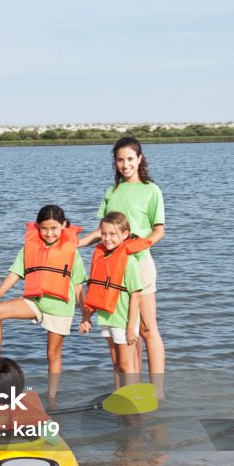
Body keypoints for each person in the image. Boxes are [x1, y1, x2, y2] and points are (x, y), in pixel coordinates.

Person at [78, 136, 165, 384]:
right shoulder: (112, 191)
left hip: (140, 265)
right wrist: (79, 242)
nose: (125, 164)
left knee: (147, 330)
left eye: (129, 159)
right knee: (129, 330)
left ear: (139, 159)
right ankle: (133, 390)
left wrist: (136, 246)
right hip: (113, 270)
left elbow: (159, 230)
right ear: (115, 162)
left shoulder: (151, 190)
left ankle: (158, 391)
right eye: (120, 160)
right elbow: (102, 231)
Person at [0, 204, 86, 403]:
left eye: (54, 228)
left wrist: (85, 315)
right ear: (38, 227)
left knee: (52, 354)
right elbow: (14, 274)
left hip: (59, 306)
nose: (49, 233)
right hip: (35, 301)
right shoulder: (30, 247)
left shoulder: (71, 252)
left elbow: (79, 287)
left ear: (63, 226)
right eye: (44, 228)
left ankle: (52, 397)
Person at [79, 212, 149, 388]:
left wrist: (131, 328)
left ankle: (134, 397)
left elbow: (135, 295)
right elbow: (98, 292)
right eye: (103, 234)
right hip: (107, 319)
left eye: (112, 234)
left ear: (125, 235)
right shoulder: (102, 258)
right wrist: (86, 318)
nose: (107, 238)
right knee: (116, 363)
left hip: (124, 321)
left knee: (127, 365)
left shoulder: (129, 261)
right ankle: (119, 395)